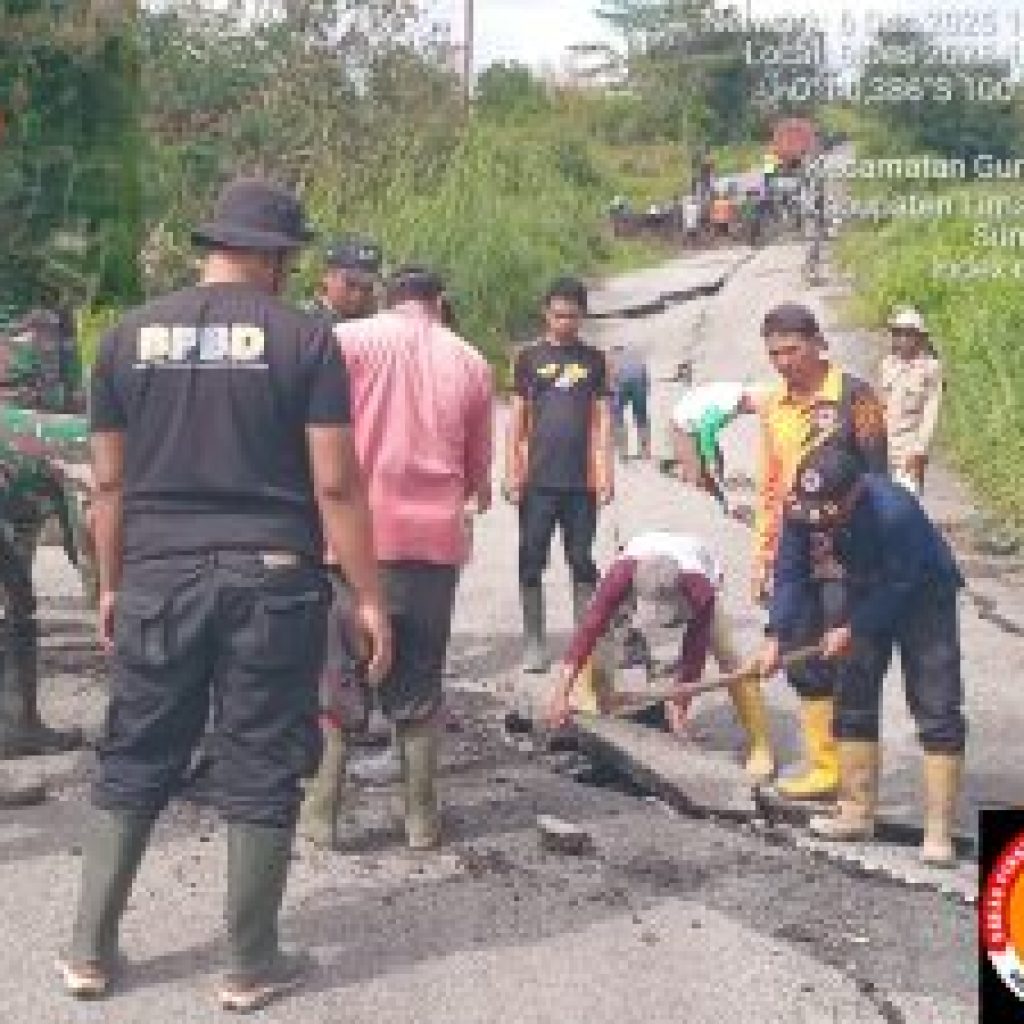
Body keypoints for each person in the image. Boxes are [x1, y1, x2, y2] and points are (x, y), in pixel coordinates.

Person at [59, 178, 392, 1011]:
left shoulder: (126, 337)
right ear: (276, 257)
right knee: (259, 763)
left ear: (213, 245)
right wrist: (370, 596)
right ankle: (250, 964)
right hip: (271, 582)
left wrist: (112, 583)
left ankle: (88, 953)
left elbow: (107, 483)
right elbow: (337, 485)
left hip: (158, 577)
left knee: (135, 756)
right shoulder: (307, 340)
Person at [301, 266, 493, 851]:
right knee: (419, 682)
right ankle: (420, 820)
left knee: (339, 673)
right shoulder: (471, 360)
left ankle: (322, 815)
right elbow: (477, 470)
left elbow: (313, 434)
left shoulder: (345, 342)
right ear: (441, 301)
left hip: (351, 538)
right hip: (431, 544)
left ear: (386, 298)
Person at [758, 444, 966, 866]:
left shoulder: (895, 510)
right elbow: (791, 571)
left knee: (936, 703)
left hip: (924, 594)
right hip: (863, 586)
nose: (821, 520)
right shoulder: (803, 505)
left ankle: (939, 833)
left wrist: (854, 628)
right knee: (853, 692)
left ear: (855, 494)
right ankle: (855, 812)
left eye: (830, 510)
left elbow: (901, 584)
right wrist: (776, 634)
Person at [755, 303, 888, 801]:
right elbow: (772, 485)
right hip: (795, 546)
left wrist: (869, 566)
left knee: (848, 662)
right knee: (797, 657)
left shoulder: (858, 398)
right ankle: (825, 768)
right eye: (774, 354)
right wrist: (764, 554)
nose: (784, 362)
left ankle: (858, 784)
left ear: (816, 342)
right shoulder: (776, 405)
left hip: (848, 551)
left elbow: (878, 480)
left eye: (792, 350)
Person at [548, 531, 775, 782]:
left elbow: (694, 653)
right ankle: (596, 706)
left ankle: (760, 743)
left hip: (696, 574)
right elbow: (587, 632)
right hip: (642, 567)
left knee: (727, 655)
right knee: (599, 640)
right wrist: (561, 694)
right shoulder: (619, 576)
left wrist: (680, 708)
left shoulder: (700, 589)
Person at [505, 277, 614, 674]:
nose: (565, 322)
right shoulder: (528, 358)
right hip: (537, 482)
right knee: (531, 557)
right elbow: (517, 418)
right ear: (546, 314)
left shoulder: (595, 360)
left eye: (572, 314)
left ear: (582, 315)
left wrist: (605, 473)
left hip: (581, 482)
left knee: (581, 558)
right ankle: (534, 641)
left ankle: (582, 642)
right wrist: (511, 471)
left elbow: (602, 421)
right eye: (558, 314)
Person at [667, 380, 764, 511]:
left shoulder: (737, 395)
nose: (751, 413)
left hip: (698, 425)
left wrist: (714, 459)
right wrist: (710, 459)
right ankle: (703, 510)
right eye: (753, 409)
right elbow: (707, 430)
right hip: (683, 427)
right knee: (696, 475)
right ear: (750, 400)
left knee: (718, 463)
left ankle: (720, 503)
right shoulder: (729, 403)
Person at [880, 308, 943, 496]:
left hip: (909, 451)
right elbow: (883, 406)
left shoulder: (931, 369)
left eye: (908, 334)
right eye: (898, 334)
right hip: (885, 451)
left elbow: (930, 414)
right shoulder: (887, 364)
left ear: (920, 337)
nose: (903, 339)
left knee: (906, 509)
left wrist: (919, 452)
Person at [312, 236, 382, 323]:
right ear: (327, 276)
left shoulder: (373, 323)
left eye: (368, 287)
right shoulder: (306, 322)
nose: (359, 295)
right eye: (351, 284)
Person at [608, 342, 651, 461]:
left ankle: (622, 451)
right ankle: (645, 451)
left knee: (617, 415)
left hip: (620, 382)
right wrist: (646, 389)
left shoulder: (611, 356)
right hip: (639, 382)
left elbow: (610, 375)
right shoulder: (636, 355)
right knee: (641, 414)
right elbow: (645, 376)